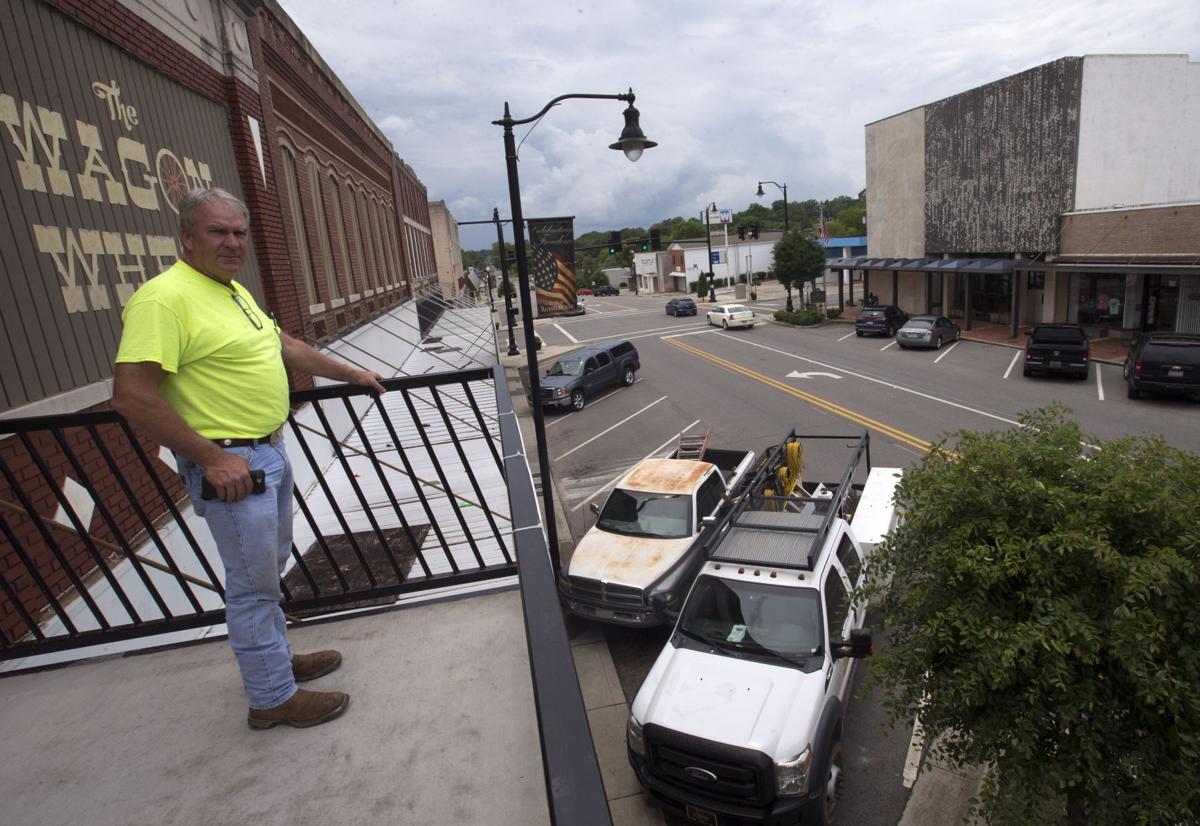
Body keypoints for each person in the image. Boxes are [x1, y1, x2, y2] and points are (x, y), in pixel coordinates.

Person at [112, 187, 386, 730]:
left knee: (269, 568)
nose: (233, 242)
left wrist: (353, 373)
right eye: (218, 232)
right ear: (187, 238)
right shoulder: (164, 298)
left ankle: (277, 662)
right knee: (252, 586)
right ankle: (271, 698)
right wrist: (211, 457)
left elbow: (283, 345)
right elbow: (131, 394)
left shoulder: (231, 291)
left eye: (239, 232)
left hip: (267, 454)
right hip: (233, 469)